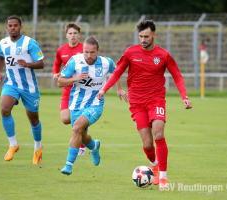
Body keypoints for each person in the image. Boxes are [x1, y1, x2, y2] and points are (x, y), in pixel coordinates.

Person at [97, 20, 193, 189]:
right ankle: (154, 165)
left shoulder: (163, 55)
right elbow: (117, 71)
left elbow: (177, 75)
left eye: (146, 36)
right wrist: (104, 89)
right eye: (140, 36)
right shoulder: (130, 52)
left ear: (154, 35)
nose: (143, 39)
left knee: (158, 135)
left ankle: (163, 177)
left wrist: (184, 96)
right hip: (137, 103)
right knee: (148, 144)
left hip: (156, 100)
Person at [58, 36, 128, 175]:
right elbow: (60, 82)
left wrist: (119, 88)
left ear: (98, 51)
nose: (88, 56)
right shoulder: (75, 61)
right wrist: (76, 78)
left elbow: (117, 71)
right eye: (86, 52)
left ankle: (68, 165)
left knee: (77, 128)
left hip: (96, 104)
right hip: (76, 105)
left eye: (92, 52)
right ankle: (94, 146)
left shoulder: (106, 62)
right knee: (81, 135)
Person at [0, 15, 45, 164]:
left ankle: (38, 147)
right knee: (4, 109)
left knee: (33, 118)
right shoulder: (3, 43)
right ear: (7, 28)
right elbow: (0, 57)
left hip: (29, 87)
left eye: (15, 25)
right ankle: (13, 144)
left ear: (20, 27)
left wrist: (27, 64)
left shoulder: (30, 43)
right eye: (10, 26)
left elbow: (41, 64)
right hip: (11, 84)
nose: (13, 28)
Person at [53, 22, 86, 156]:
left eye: (75, 33)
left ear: (79, 35)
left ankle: (81, 146)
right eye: (70, 33)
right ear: (66, 35)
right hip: (67, 89)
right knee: (66, 119)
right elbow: (56, 64)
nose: (73, 36)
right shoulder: (61, 50)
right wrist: (55, 74)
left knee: (77, 119)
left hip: (82, 90)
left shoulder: (85, 48)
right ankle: (85, 137)